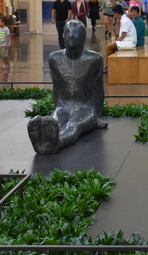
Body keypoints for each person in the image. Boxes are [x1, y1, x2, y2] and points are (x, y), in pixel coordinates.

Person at [27, 19, 107, 155]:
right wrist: (57, 108)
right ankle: (44, 138)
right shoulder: (55, 58)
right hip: (63, 106)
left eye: (76, 32)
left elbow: (98, 89)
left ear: (83, 36)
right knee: (56, 121)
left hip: (85, 107)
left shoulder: (94, 59)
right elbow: (56, 87)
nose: (71, 35)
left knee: (74, 124)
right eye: (68, 32)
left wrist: (97, 115)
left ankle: (57, 142)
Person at [103, 4, 136, 74]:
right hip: (127, 40)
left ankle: (108, 67)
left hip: (130, 42)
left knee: (108, 47)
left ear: (116, 14)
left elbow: (122, 36)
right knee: (111, 46)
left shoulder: (125, 21)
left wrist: (115, 42)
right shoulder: (124, 19)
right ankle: (110, 66)